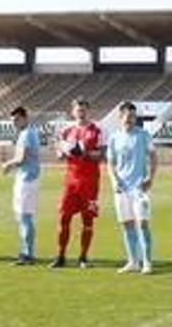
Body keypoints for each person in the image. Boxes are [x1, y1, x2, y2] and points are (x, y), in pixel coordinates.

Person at [52, 99, 105, 268]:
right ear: (73, 111)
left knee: (87, 220)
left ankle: (83, 257)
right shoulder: (66, 130)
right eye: (78, 109)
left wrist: (85, 153)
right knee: (63, 217)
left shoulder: (97, 130)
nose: (81, 112)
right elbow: (59, 149)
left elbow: (103, 154)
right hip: (71, 181)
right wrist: (62, 153)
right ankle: (60, 256)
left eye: (84, 109)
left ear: (88, 111)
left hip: (90, 182)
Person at [106, 102, 157, 275]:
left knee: (142, 224)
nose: (131, 119)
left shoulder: (144, 135)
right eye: (128, 116)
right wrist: (114, 180)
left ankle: (147, 262)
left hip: (139, 188)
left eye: (133, 116)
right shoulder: (113, 137)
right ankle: (133, 261)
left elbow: (153, 156)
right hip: (121, 189)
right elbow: (111, 163)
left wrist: (150, 177)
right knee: (127, 225)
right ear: (120, 117)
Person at [0, 106, 42, 265]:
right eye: (12, 120)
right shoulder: (26, 133)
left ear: (25, 118)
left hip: (28, 179)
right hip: (25, 178)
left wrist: (7, 165)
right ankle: (25, 251)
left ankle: (28, 254)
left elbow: (21, 158)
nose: (14, 123)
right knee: (22, 217)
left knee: (25, 217)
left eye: (16, 119)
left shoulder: (27, 134)